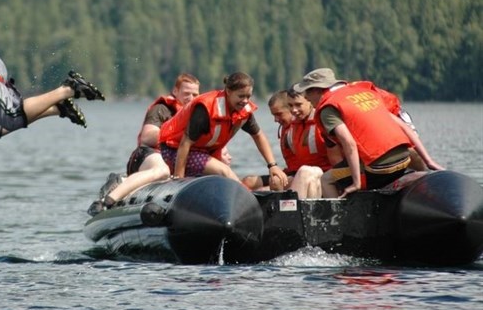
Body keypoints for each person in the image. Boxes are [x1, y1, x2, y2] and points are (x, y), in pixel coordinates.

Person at [293, 68, 444, 198]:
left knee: (326, 179)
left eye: (307, 92)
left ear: (318, 90)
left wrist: (356, 183)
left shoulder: (328, 109)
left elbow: (349, 143)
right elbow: (405, 128)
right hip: (405, 160)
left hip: (378, 170)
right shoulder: (364, 93)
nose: (305, 97)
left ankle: (339, 222)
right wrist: (430, 162)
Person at [87, 73, 201, 215]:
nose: (191, 98)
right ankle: (107, 201)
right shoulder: (161, 109)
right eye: (186, 93)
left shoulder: (198, 116)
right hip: (147, 155)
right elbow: (147, 138)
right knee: (163, 171)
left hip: (174, 160)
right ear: (176, 91)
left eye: (195, 94)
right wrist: (178, 133)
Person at [158, 72, 284, 184]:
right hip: (172, 150)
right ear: (228, 92)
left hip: (200, 152)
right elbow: (185, 143)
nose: (245, 101)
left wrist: (272, 165)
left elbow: (258, 135)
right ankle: (246, 199)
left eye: (248, 96)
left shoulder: (244, 110)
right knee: (224, 171)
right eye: (241, 96)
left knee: (223, 176)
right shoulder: (206, 108)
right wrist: (179, 180)